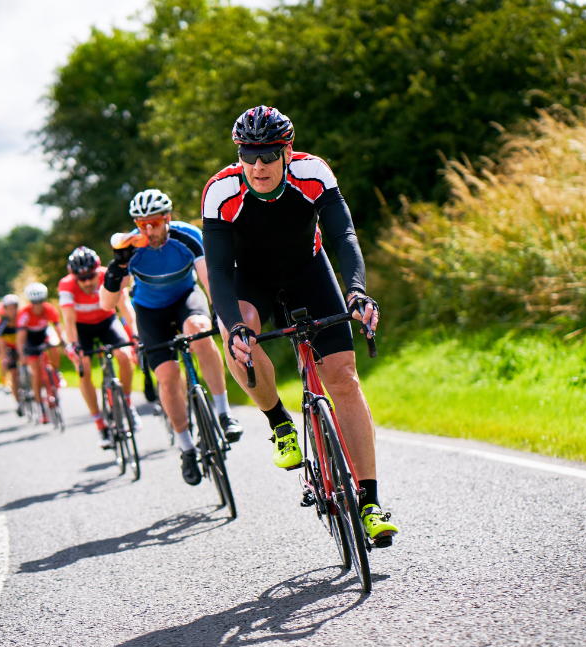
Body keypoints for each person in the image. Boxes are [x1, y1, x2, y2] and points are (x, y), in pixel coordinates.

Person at [201, 105, 398, 545]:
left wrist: (357, 292)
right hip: (250, 279)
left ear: (287, 152)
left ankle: (369, 503)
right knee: (242, 342)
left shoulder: (313, 173)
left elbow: (344, 236)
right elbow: (216, 273)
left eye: (268, 155)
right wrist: (234, 328)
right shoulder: (221, 191)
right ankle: (279, 422)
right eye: (248, 155)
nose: (258, 166)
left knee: (343, 377)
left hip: (309, 270)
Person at [101, 189, 243, 487]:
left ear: (166, 218)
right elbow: (106, 303)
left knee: (198, 329)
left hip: (185, 299)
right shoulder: (132, 246)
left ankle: (223, 412)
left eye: (153, 222)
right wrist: (117, 267)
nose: (148, 230)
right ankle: (186, 448)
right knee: (166, 375)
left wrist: (222, 315)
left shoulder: (186, 236)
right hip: (150, 311)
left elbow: (208, 279)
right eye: (141, 224)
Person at [60, 246, 142, 448]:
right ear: (74, 276)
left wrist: (135, 335)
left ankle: (128, 404)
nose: (87, 282)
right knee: (84, 367)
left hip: (107, 321)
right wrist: (73, 345)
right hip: (82, 328)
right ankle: (100, 425)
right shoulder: (66, 286)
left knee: (124, 355)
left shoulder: (109, 274)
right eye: (82, 279)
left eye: (91, 276)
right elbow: (69, 320)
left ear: (97, 271)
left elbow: (125, 308)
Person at [16, 282, 68, 424]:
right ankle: (41, 406)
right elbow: (21, 337)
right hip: (31, 339)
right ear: (31, 302)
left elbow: (58, 328)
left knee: (54, 345)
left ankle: (56, 371)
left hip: (45, 333)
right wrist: (22, 352)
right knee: (36, 373)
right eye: (35, 303)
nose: (38, 305)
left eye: (40, 302)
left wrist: (63, 343)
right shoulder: (24, 313)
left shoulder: (49, 309)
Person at [0, 294, 22, 414]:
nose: (12, 311)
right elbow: (1, 345)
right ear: (5, 310)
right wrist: (4, 358)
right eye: (9, 309)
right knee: (14, 373)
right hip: (11, 349)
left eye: (14, 308)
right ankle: (18, 403)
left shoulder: (23, 320)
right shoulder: (2, 326)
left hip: (22, 346)